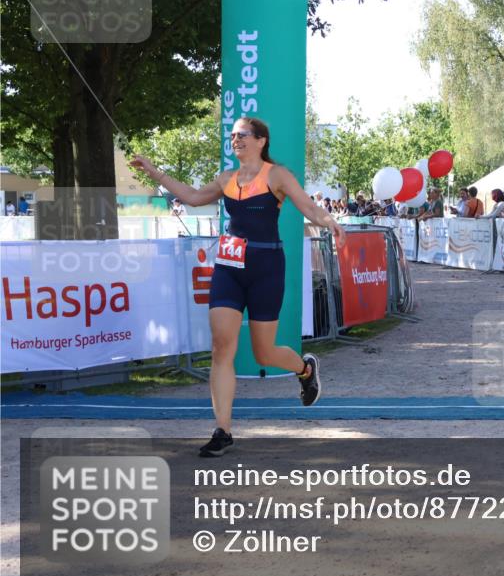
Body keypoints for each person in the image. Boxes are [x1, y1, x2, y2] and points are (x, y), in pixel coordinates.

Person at [130, 117, 346, 456]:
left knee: (264, 352)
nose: (236, 140)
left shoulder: (277, 175)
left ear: (261, 140)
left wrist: (329, 220)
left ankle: (305, 369)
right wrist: (154, 172)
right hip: (229, 268)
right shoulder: (226, 179)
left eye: (242, 135)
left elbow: (307, 206)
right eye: (232, 135)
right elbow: (192, 195)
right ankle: (223, 430)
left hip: (266, 268)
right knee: (221, 346)